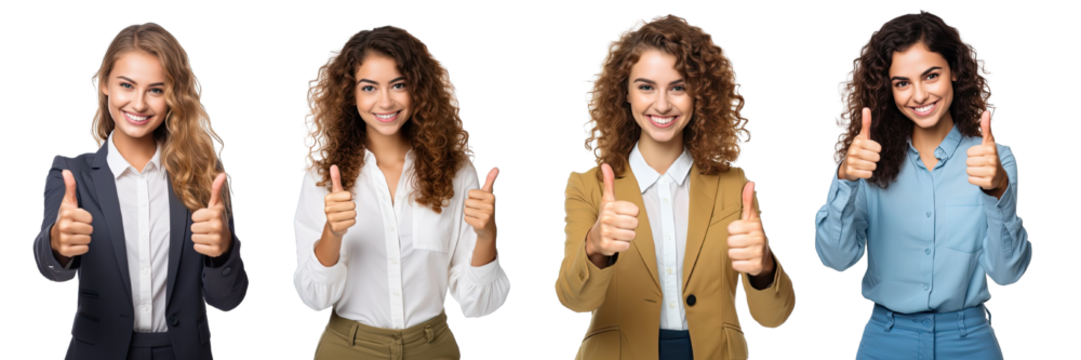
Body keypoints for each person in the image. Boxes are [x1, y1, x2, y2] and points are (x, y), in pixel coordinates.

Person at [555, 14, 796, 360]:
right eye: (646, 86)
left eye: (678, 87)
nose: (663, 104)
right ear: (625, 92)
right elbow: (574, 300)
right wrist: (595, 247)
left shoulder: (734, 188)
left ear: (700, 93)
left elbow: (774, 317)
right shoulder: (586, 186)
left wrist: (763, 266)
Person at [813, 9, 1031, 360]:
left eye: (931, 76)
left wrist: (998, 192)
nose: (918, 95)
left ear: (955, 72)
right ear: (888, 88)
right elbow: (836, 260)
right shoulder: (865, 160)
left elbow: (1007, 274)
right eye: (902, 83)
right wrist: (845, 180)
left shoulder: (995, 160)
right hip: (885, 339)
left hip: (969, 339)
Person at [31, 21, 248, 359]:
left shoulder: (203, 177)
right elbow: (49, 268)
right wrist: (59, 243)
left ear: (173, 95)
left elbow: (228, 300)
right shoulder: (71, 173)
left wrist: (221, 250)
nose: (139, 104)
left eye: (156, 90)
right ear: (104, 85)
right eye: (127, 85)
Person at [293, 24, 510, 359]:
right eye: (369, 87)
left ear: (418, 90)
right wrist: (332, 233)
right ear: (351, 94)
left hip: (433, 347)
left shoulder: (458, 176)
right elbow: (314, 298)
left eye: (398, 85)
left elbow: (479, 303)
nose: (385, 101)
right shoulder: (321, 182)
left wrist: (486, 236)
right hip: (348, 348)